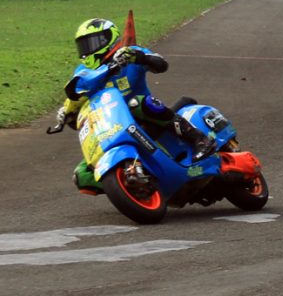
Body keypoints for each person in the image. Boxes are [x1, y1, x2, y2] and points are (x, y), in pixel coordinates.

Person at [56, 18, 216, 194]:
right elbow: (79, 111)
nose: (88, 50)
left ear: (110, 38)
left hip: (145, 117)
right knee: (82, 176)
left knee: (137, 103)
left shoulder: (128, 53)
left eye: (93, 43)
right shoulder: (83, 73)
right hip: (110, 127)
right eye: (83, 45)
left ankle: (199, 138)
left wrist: (139, 58)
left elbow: (161, 65)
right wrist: (69, 114)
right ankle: (128, 182)